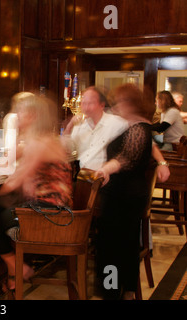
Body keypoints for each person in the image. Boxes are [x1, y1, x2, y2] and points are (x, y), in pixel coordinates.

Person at [0, 93, 73, 292]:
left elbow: (14, 182)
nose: (16, 115)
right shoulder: (38, 140)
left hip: (51, 214)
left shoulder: (40, 144)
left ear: (32, 115)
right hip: (44, 207)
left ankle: (4, 265)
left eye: (20, 112)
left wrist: (2, 189)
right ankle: (7, 267)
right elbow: (8, 159)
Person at [94, 84, 154, 300]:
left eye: (119, 102)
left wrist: (107, 168)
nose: (116, 106)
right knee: (117, 245)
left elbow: (128, 158)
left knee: (117, 247)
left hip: (125, 196)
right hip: (122, 194)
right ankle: (119, 290)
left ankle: (116, 292)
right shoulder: (129, 125)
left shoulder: (139, 128)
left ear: (130, 103)